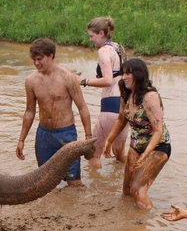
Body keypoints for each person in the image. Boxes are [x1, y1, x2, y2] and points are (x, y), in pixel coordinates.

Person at [15, 38, 93, 187]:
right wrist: (21, 140)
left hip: (66, 134)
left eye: (39, 59)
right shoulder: (31, 80)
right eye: (34, 60)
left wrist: (88, 137)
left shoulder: (68, 78)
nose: (36, 63)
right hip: (44, 135)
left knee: (74, 182)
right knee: (44, 182)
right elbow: (29, 112)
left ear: (51, 56)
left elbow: (83, 108)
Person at [103, 58, 171, 210]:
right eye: (123, 73)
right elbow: (121, 118)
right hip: (136, 146)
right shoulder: (127, 92)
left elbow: (158, 131)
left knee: (137, 190)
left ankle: (147, 221)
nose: (124, 77)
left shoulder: (150, 97)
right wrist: (109, 140)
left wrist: (145, 155)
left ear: (139, 74)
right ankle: (129, 219)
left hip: (157, 147)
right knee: (127, 191)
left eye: (128, 73)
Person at [80, 16, 129, 167]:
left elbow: (108, 80)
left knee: (93, 154)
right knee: (119, 155)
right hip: (125, 105)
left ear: (101, 33)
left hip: (111, 105)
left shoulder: (104, 51)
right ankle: (135, 172)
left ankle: (94, 183)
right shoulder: (118, 48)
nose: (90, 40)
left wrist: (83, 81)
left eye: (92, 36)